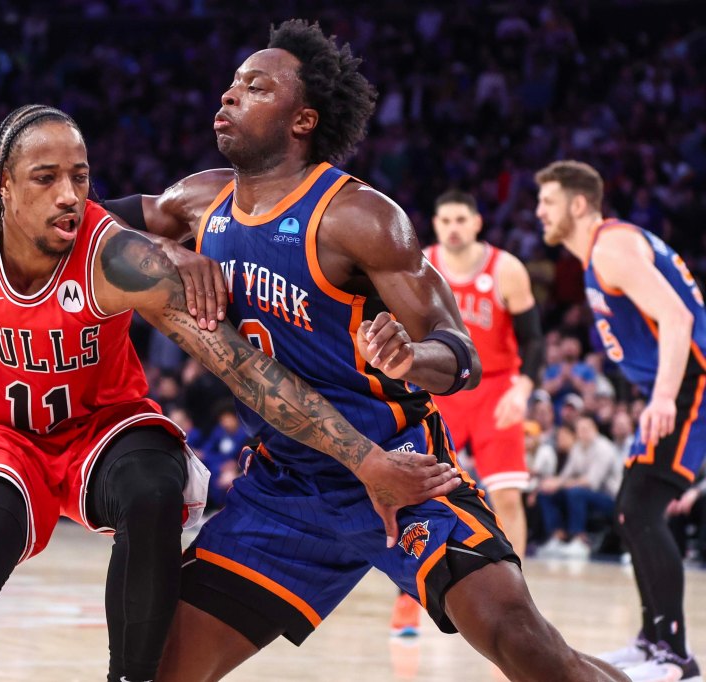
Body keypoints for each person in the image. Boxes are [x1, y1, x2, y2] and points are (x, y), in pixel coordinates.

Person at [0, 104, 459, 682]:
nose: (70, 194)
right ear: (1, 186)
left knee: (151, 482)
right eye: (46, 178)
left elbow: (245, 370)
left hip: (105, 429)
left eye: (82, 174)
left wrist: (364, 459)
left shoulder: (117, 258)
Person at [106, 19, 624, 682]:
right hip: (285, 485)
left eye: (255, 87)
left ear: (303, 120)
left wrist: (411, 358)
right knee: (159, 668)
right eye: (233, 83)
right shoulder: (197, 200)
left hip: (399, 470)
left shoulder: (361, 218)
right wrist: (169, 251)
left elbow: (458, 353)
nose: (230, 95)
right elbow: (87, 223)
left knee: (522, 643)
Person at [535, 159, 705, 682]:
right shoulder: (601, 255)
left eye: (548, 201)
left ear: (579, 204)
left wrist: (660, 399)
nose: (538, 211)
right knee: (632, 510)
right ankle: (654, 640)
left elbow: (677, 318)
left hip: (689, 385)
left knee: (641, 506)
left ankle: (675, 654)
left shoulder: (612, 245)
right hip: (673, 385)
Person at [425, 189, 545, 558]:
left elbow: (533, 339)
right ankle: (409, 596)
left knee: (508, 495)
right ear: (436, 225)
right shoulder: (422, 265)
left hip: (495, 388)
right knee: (425, 491)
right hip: (441, 387)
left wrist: (522, 389)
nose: (454, 229)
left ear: (477, 223)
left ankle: (515, 585)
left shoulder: (506, 268)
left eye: (461, 220)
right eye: (446, 221)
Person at [534, 416, 621, 560]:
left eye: (586, 429)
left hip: (609, 498)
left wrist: (560, 484)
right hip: (585, 494)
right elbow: (565, 475)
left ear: (595, 429)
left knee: (575, 493)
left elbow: (591, 482)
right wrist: (551, 483)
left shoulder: (604, 448)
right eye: (579, 430)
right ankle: (558, 537)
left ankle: (580, 540)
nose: (582, 433)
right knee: (547, 493)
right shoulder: (577, 448)